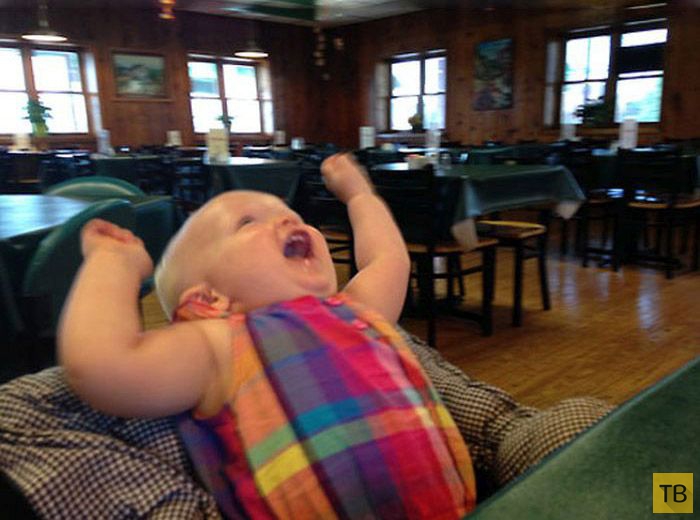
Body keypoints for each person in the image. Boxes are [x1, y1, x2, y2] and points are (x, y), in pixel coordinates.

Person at [58, 153, 477, 519]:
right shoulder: (217, 344)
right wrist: (113, 263)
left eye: (292, 214)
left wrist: (358, 195)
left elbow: (388, 259)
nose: (290, 219)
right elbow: (102, 365)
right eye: (248, 222)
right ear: (209, 300)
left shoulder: (353, 310)